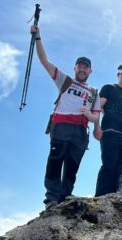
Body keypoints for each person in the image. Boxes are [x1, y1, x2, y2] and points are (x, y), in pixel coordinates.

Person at [30, 25, 101, 210]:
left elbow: (95, 118)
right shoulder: (65, 80)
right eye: (80, 66)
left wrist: (88, 115)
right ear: (75, 67)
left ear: (90, 71)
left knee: (72, 166)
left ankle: (65, 198)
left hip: (80, 132)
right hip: (61, 126)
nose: (83, 69)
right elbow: (44, 61)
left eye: (86, 67)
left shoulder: (94, 92)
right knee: (55, 161)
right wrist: (38, 37)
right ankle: (51, 200)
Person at [94, 64, 122, 196]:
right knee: (109, 166)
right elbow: (97, 107)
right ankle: (99, 198)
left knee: (118, 170)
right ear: (118, 74)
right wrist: (97, 126)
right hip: (110, 133)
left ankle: (110, 199)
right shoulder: (108, 88)